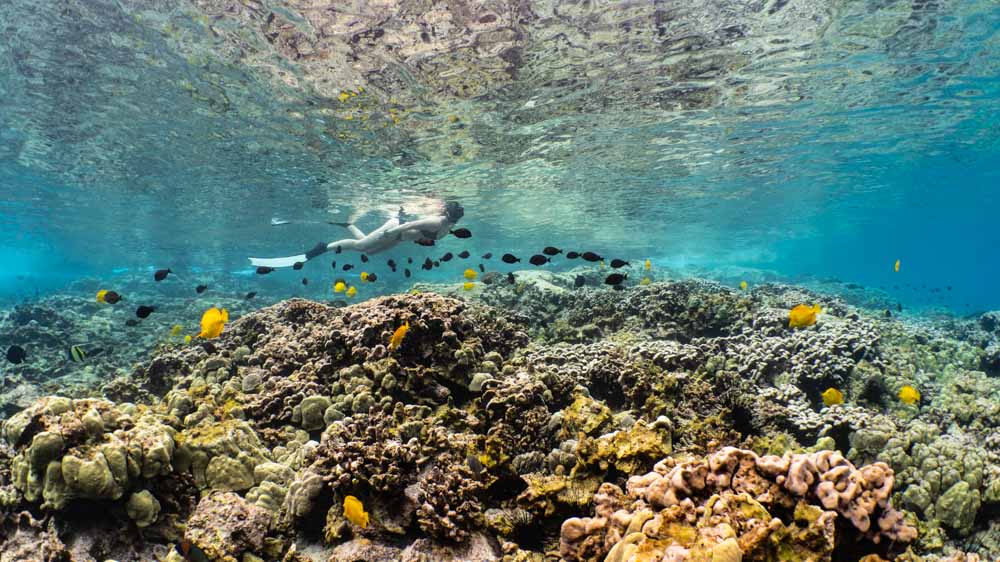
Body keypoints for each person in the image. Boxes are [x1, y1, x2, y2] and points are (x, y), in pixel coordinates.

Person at [249, 201, 464, 268]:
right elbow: (412, 224)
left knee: (367, 251)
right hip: (395, 228)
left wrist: (419, 240)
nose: (452, 221)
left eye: (454, 219)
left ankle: (349, 224)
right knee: (361, 247)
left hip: (398, 238)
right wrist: (391, 232)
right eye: (451, 217)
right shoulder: (437, 221)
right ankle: (323, 247)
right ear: (446, 213)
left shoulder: (446, 226)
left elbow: (420, 236)